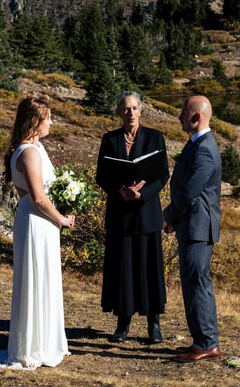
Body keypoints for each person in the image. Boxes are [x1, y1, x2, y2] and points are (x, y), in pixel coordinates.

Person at [0, 96, 75, 370]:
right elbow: (38, 197)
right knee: (36, 278)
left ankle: (43, 340)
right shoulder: (29, 153)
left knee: (43, 277)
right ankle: (34, 346)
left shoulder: (33, 148)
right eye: (48, 118)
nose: (51, 123)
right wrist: (62, 219)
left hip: (39, 220)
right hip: (37, 221)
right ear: (34, 121)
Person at [96, 91, 169, 344]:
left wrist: (141, 194)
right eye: (126, 109)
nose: (131, 113)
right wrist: (120, 191)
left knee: (150, 269)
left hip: (147, 213)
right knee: (123, 268)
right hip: (120, 213)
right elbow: (101, 176)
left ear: (141, 110)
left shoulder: (155, 137)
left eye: (135, 108)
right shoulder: (110, 139)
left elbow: (162, 175)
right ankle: (122, 324)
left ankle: (153, 324)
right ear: (118, 111)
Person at [163, 95, 222, 362]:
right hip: (192, 225)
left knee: (197, 283)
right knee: (192, 283)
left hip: (198, 227)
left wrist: (168, 216)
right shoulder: (197, 144)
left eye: (183, 112)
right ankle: (201, 341)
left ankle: (207, 344)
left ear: (196, 117)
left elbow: (189, 192)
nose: (180, 117)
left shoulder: (204, 148)